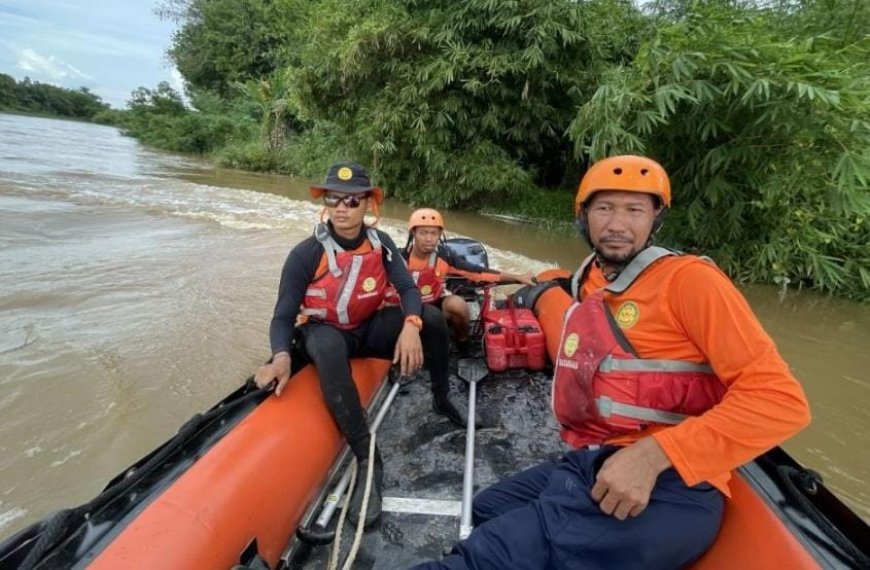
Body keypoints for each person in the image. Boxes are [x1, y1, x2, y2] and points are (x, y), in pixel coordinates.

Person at [414, 155, 811, 568]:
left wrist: (654, 455)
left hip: (671, 484)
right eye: (604, 208)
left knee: (486, 556)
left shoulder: (691, 282)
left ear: (656, 219)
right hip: (598, 457)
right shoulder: (592, 278)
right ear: (583, 217)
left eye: (634, 210)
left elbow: (781, 401)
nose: (617, 224)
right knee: (487, 507)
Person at [253, 162, 467, 528]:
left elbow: (408, 289)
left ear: (368, 204)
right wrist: (281, 356)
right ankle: (368, 458)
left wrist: (411, 325)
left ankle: (441, 396)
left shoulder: (381, 245)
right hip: (325, 331)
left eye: (352, 201)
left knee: (431, 318)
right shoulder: (306, 254)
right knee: (326, 345)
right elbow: (283, 315)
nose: (342, 208)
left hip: (366, 328)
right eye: (333, 199)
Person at [398, 208, 536, 355]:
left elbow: (478, 272)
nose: (428, 238)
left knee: (457, 304)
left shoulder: (445, 256)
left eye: (433, 233)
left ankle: (462, 345)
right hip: (405, 309)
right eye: (423, 233)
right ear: (413, 233)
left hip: (434, 303)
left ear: (440, 235)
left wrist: (517, 277)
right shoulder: (398, 258)